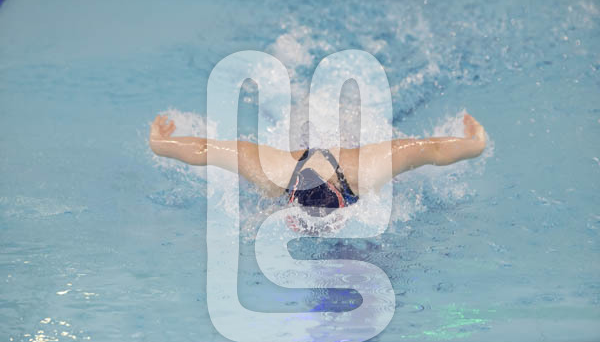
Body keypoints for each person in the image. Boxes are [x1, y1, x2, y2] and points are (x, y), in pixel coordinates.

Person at [148, 113, 487, 214]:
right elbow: (205, 150)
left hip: (343, 162)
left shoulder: (364, 169)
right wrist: (161, 145)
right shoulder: (273, 172)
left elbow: (430, 150)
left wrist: (475, 143)